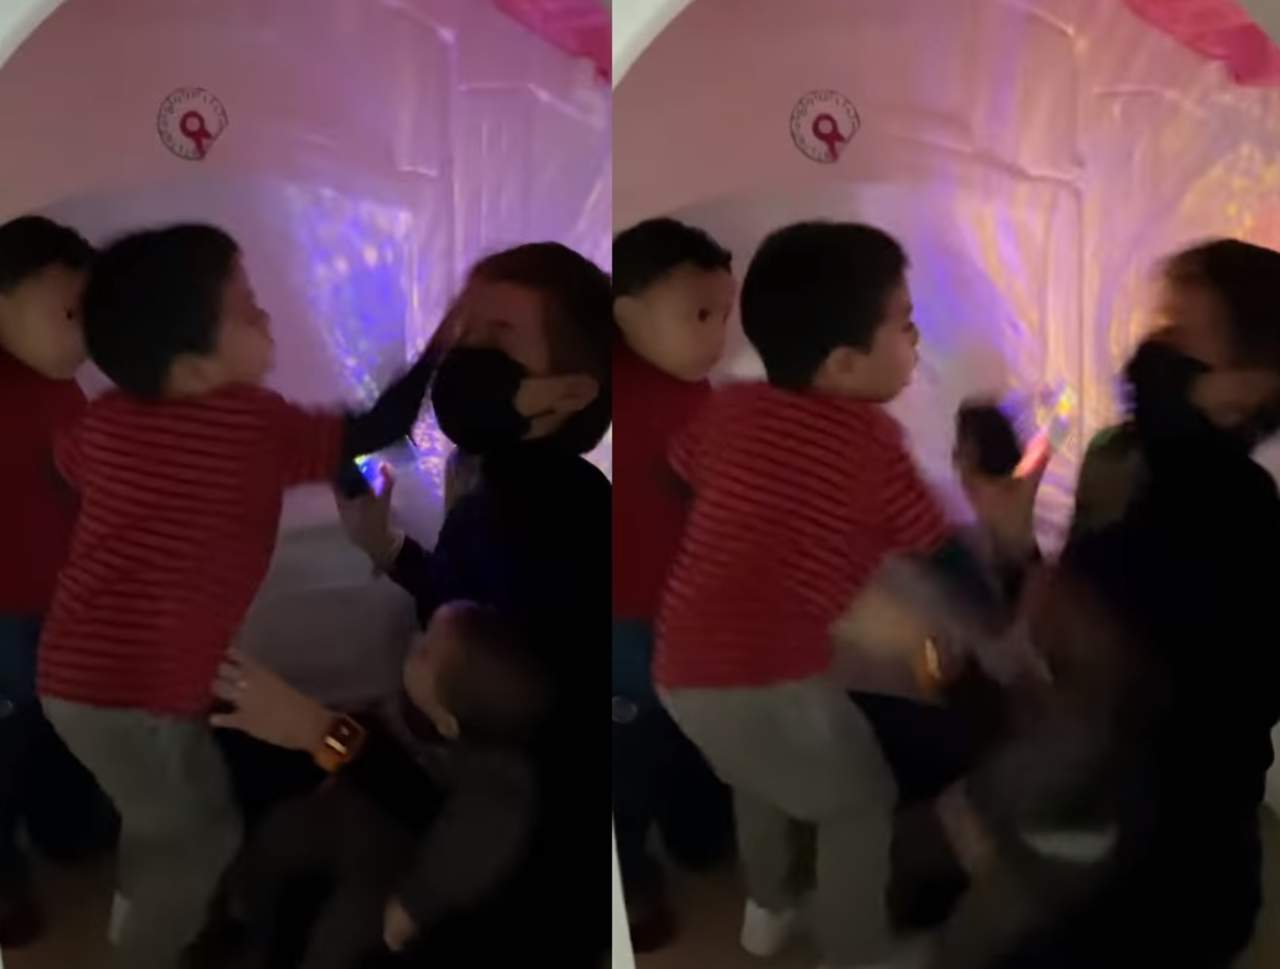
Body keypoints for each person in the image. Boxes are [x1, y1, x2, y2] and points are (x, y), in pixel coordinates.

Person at [35, 223, 438, 969]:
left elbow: (71, 466)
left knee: (164, 814)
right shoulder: (252, 423)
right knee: (198, 833)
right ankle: (149, 947)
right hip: (137, 689)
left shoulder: (105, 418)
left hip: (78, 671)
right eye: (249, 309)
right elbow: (377, 426)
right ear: (192, 367)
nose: (268, 316)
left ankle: (159, 910)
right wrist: (443, 340)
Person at [652, 221, 1030, 969]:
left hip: (683, 664)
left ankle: (765, 910)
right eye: (906, 324)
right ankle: (856, 953)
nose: (916, 341)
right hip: (768, 674)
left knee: (756, 778)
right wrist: (996, 610)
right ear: (845, 363)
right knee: (860, 803)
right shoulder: (873, 447)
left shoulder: (730, 407)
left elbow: (682, 470)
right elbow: (940, 553)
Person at [982, 239, 1280, 969]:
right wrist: (1018, 542)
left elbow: (1095, 638)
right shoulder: (1127, 459)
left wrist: (1021, 557)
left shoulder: (1236, 512)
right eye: (1161, 323)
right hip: (1097, 840)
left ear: (1249, 385)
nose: (1154, 351)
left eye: (1183, 334)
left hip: (1163, 881)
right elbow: (1068, 631)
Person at [332, 241, 612, 964]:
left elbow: (495, 768)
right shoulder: (500, 480)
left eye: (499, 336)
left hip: (513, 863)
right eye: (465, 329)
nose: (465, 354)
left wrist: (322, 735)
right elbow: (467, 608)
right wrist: (390, 550)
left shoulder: (555, 516)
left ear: (569, 393)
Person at [201, 601, 549, 969]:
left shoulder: (496, 784)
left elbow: (471, 846)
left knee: (345, 930)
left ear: (448, 722)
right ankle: (242, 913)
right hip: (348, 806)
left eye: (425, 652)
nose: (413, 640)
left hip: (393, 857)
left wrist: (415, 903)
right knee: (278, 835)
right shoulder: (419, 698)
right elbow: (368, 736)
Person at [611, 217, 737, 950]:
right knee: (629, 753)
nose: (718, 333)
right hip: (625, 617)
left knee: (695, 728)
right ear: (628, 315)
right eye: (700, 314)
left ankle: (698, 831)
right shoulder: (610, 392)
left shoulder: (697, 391)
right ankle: (629, 876)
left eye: (724, 314)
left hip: (687, 614)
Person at [0, 215, 119, 948]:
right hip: (6, 613)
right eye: (70, 315)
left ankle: (67, 823)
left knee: (57, 722)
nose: (84, 337)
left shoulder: (63, 390)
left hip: (60, 606)